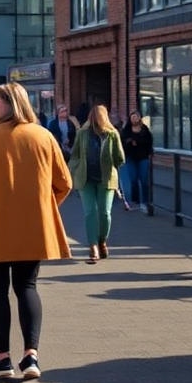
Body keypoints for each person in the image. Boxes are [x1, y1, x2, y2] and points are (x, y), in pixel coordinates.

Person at [0, 83, 72, 380]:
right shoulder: (44, 136)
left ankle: (2, 359)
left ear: (9, 104)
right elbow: (64, 183)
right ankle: (31, 357)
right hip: (32, 227)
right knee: (27, 287)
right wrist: (44, 207)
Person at [69, 105, 125, 264]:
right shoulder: (82, 134)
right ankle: (92, 245)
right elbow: (75, 155)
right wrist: (73, 170)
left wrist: (114, 160)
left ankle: (102, 240)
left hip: (106, 179)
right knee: (90, 212)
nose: (96, 121)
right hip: (85, 178)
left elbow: (120, 158)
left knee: (105, 213)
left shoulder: (112, 135)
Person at [120, 111, 154, 212]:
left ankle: (145, 201)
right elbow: (123, 142)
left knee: (144, 180)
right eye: (132, 117)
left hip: (143, 157)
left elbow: (149, 142)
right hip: (131, 158)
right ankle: (136, 201)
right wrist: (130, 143)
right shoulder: (127, 130)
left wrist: (140, 144)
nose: (134, 119)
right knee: (133, 180)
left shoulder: (144, 130)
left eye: (135, 117)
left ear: (139, 118)